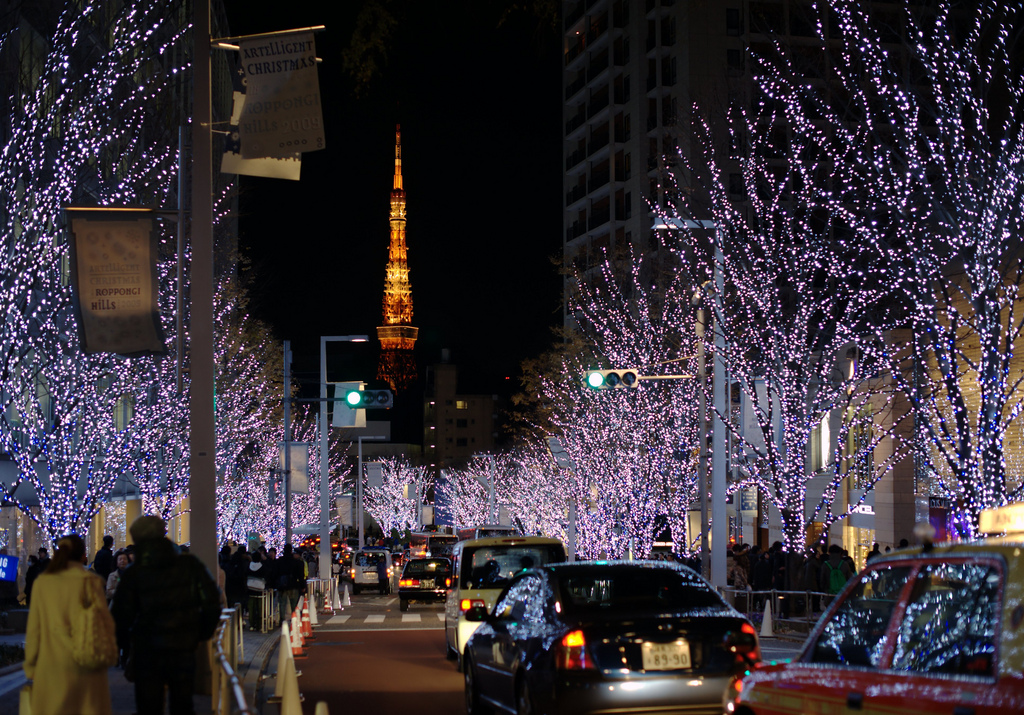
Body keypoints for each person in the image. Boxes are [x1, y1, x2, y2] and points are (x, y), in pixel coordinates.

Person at [111, 515, 221, 715]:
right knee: (183, 703)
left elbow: (120, 616)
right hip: (183, 645)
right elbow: (212, 601)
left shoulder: (133, 574)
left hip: (147, 648)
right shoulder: (190, 565)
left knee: (148, 705)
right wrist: (200, 633)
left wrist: (125, 642)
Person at [24, 533, 114, 715]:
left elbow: (34, 629)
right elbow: (106, 625)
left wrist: (31, 665)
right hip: (87, 663)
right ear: (83, 556)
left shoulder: (43, 583)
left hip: (52, 665)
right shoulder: (91, 582)